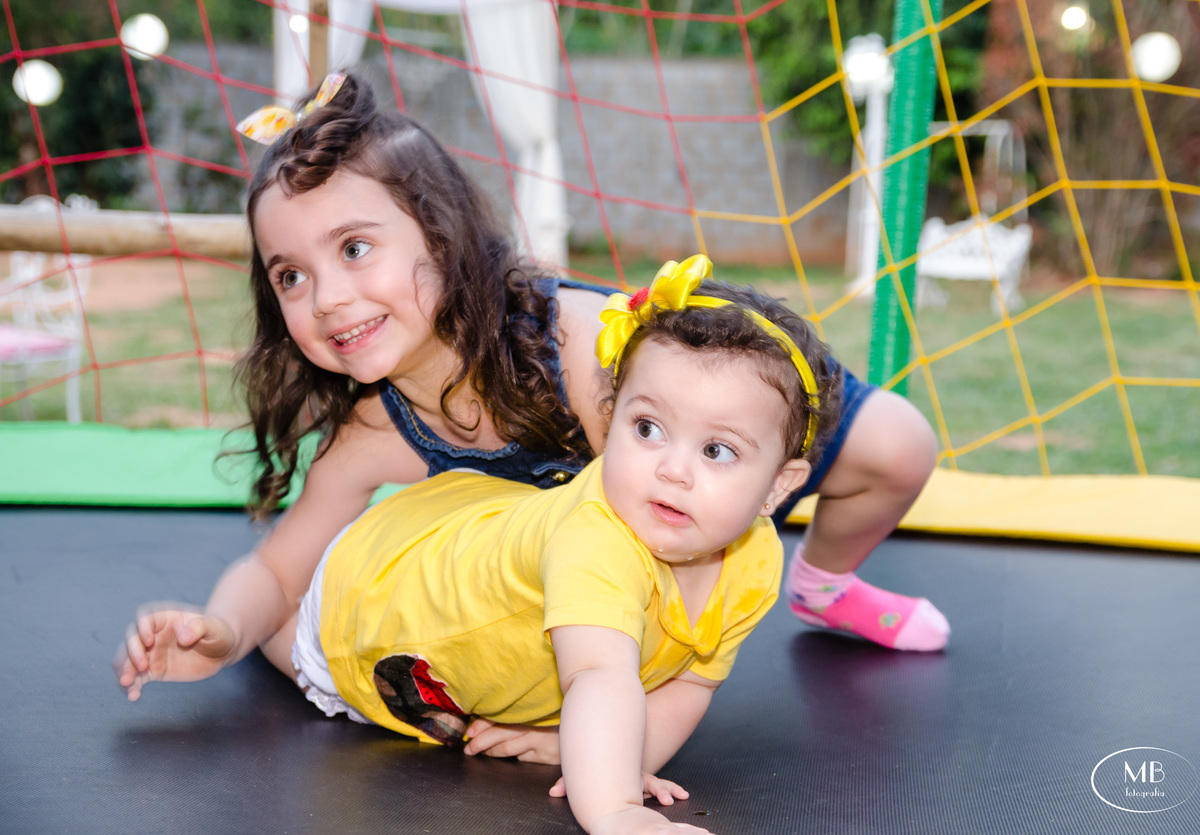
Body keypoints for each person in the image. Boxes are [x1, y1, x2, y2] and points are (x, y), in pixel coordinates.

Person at [115, 70, 945, 764]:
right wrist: (221, 627)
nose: (327, 297)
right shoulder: (375, 427)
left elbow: (699, 551)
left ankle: (824, 581)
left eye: (354, 249)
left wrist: (617, 725)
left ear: (440, 237)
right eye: (289, 275)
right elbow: (278, 570)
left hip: (710, 400)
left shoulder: (579, 354)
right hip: (581, 547)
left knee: (901, 448)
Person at [274, 257, 833, 834]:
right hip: (380, 589)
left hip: (465, 527)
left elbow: (688, 684)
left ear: (779, 486)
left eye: (717, 451)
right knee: (297, 646)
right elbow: (597, 675)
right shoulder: (596, 541)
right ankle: (262, 623)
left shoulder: (755, 561)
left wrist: (610, 756)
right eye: (647, 429)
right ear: (610, 419)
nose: (673, 470)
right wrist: (617, 809)